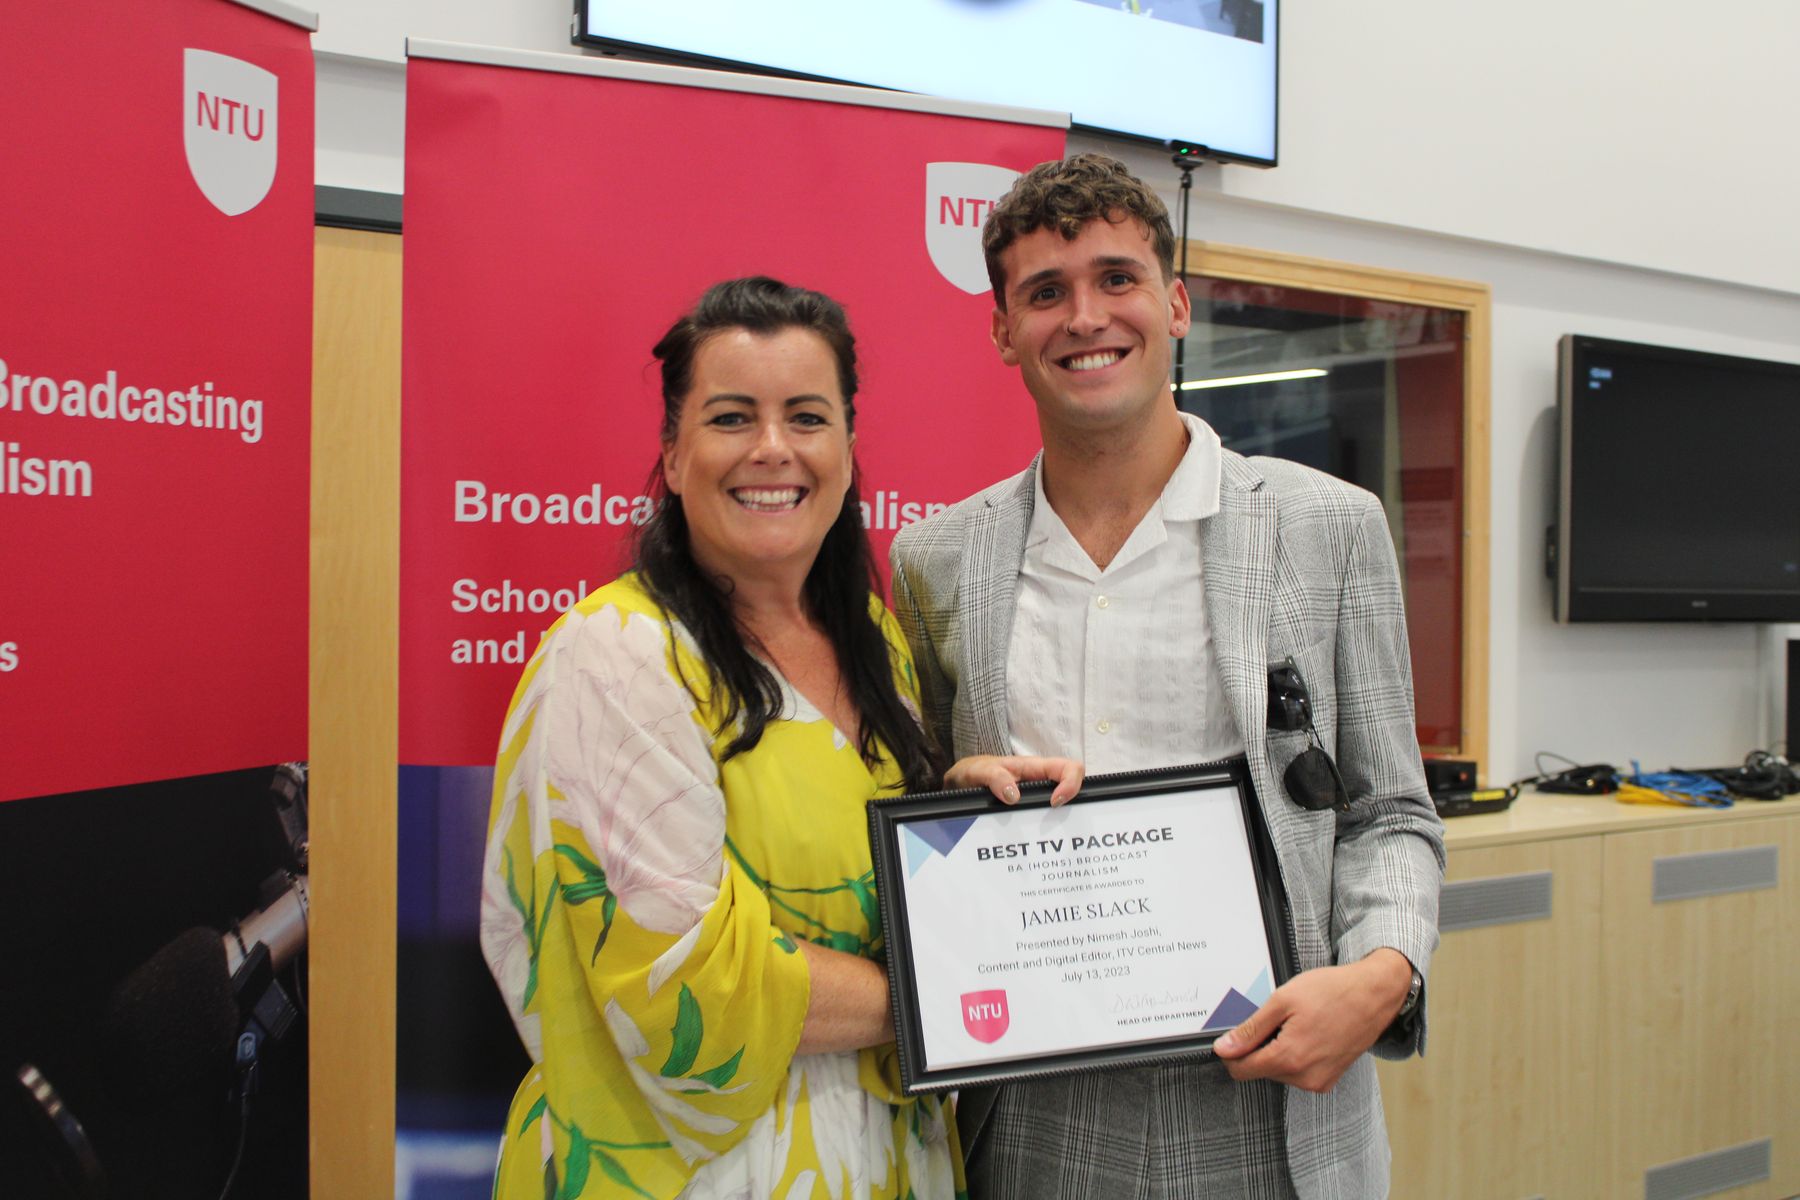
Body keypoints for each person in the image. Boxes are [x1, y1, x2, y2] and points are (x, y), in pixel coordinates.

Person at [888, 154, 1446, 1199]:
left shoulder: (1327, 529)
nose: (1085, 316)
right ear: (1003, 330)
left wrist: (1381, 978)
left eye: (1117, 279)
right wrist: (947, 814)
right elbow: (925, 813)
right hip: (1034, 1115)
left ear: (1175, 303)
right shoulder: (936, 560)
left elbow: (1392, 815)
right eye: (1045, 292)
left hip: (1277, 1104)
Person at [478, 276, 1075, 1200]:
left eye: (806, 417)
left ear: (845, 446)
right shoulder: (619, 655)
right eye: (730, 419)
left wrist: (958, 808)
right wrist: (967, 986)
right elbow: (688, 981)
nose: (772, 450)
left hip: (883, 1157)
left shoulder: (872, 641)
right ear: (672, 456)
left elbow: (843, 846)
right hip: (694, 1173)